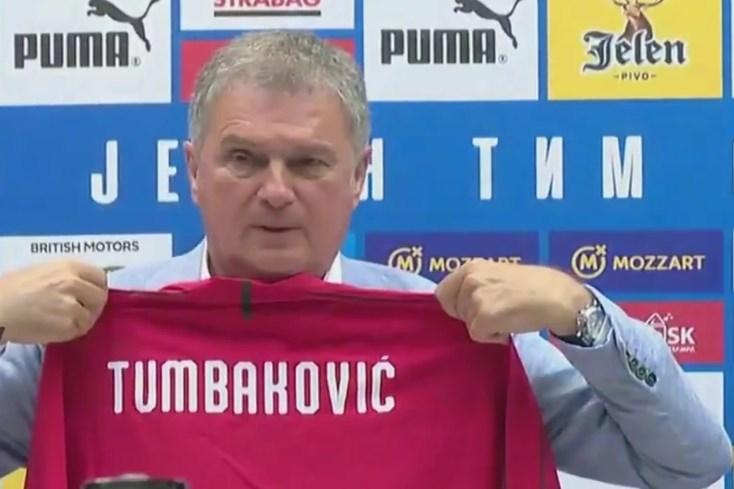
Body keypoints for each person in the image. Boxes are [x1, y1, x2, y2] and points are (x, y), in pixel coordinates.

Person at [0, 30, 730, 488]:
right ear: (193, 170)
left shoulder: (453, 335)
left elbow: (690, 462)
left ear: (360, 176)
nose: (275, 190)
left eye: (309, 163)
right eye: (244, 159)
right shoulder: (89, 331)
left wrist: (581, 314)